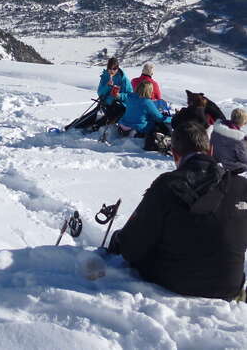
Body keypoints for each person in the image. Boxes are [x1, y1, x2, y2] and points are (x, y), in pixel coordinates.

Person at [108, 121, 247, 300]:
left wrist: (118, 240)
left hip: (175, 282)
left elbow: (131, 247)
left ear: (174, 154)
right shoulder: (241, 186)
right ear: (211, 151)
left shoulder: (167, 185)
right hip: (230, 287)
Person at [211, 108, 247, 174]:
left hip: (217, 160)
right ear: (243, 122)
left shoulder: (217, 129)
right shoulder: (238, 139)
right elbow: (244, 159)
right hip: (230, 166)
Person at [97, 57, 132, 123]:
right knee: (92, 116)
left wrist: (119, 96)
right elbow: (99, 92)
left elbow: (130, 95)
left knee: (108, 118)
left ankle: (97, 126)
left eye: (114, 68)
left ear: (118, 68)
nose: (112, 71)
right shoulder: (105, 76)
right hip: (105, 103)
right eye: (110, 69)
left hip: (119, 106)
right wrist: (107, 86)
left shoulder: (123, 79)